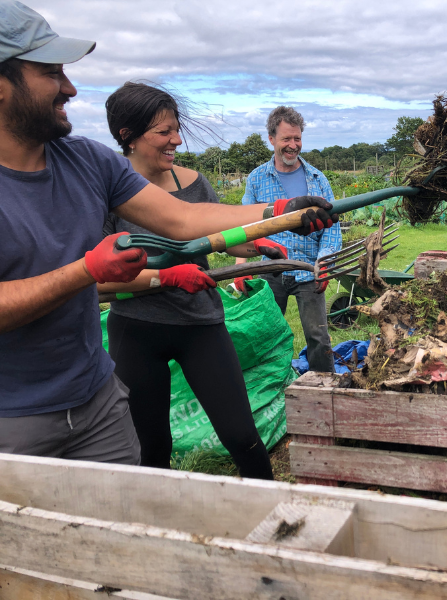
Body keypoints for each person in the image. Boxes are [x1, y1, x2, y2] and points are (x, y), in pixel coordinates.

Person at [0, 1, 337, 464]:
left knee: (135, 508)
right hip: (14, 417)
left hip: (96, 398)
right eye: (50, 73)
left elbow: (182, 220)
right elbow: (90, 281)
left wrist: (281, 209)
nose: (70, 87)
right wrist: (100, 272)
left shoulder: (85, 161)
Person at [98, 83, 289, 479]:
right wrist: (166, 276)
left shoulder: (194, 183)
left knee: (242, 435)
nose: (176, 140)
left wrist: (257, 246)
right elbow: (97, 280)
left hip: (200, 324)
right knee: (152, 445)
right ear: (126, 136)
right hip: (137, 330)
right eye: (164, 132)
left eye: (176, 128)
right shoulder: (108, 192)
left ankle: (277, 517)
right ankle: (159, 529)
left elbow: (218, 240)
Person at [235, 106, 341, 373]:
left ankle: (325, 390)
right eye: (286, 139)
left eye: (297, 139)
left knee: (318, 338)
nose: (293, 146)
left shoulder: (317, 179)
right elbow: (245, 226)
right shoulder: (258, 179)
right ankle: (271, 385)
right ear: (271, 139)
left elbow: (332, 227)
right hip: (271, 270)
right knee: (266, 336)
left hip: (310, 271)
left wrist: (325, 262)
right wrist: (241, 266)